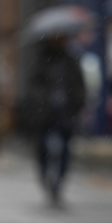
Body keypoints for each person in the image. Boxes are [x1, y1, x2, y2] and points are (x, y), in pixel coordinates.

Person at [24, 35, 87, 204]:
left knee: (65, 150)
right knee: (44, 148)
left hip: (65, 114)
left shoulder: (71, 61)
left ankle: (58, 182)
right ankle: (47, 177)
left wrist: (77, 104)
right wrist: (41, 102)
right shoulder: (41, 60)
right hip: (45, 114)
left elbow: (79, 86)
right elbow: (33, 86)